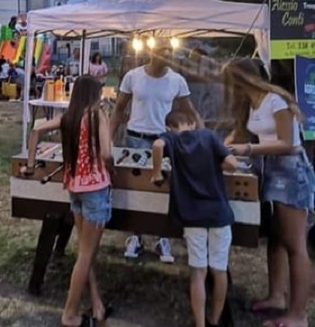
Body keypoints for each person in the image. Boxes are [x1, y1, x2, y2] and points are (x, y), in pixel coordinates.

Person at [223, 59, 314, 327]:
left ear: (242, 79)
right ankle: (276, 297)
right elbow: (239, 134)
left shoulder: (275, 100)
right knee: (276, 238)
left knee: (295, 245)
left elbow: (287, 143)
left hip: (291, 173)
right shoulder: (252, 103)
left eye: (231, 83)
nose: (230, 90)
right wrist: (221, 146)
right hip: (271, 172)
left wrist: (248, 150)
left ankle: (298, 315)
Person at [21, 75, 113, 326]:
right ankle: (70, 314)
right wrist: (109, 161)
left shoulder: (70, 117)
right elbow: (106, 152)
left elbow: (37, 130)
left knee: (86, 251)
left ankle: (97, 305)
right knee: (86, 254)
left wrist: (30, 165)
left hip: (75, 188)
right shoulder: (97, 114)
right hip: (96, 188)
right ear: (94, 93)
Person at [110, 41, 201, 263]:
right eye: (163, 51)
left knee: (164, 188)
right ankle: (136, 237)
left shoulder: (177, 81)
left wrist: (203, 137)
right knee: (136, 189)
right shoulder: (133, 76)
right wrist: (108, 138)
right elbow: (119, 108)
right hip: (136, 138)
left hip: (165, 140)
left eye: (170, 52)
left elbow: (190, 112)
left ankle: (163, 238)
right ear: (151, 53)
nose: (167, 55)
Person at [151, 111, 238, 327]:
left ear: (170, 126)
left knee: (198, 271)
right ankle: (215, 320)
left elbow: (157, 146)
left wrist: (156, 173)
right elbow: (232, 164)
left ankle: (199, 324)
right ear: (191, 122)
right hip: (218, 213)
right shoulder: (208, 136)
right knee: (219, 269)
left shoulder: (172, 139)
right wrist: (211, 166)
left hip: (192, 216)